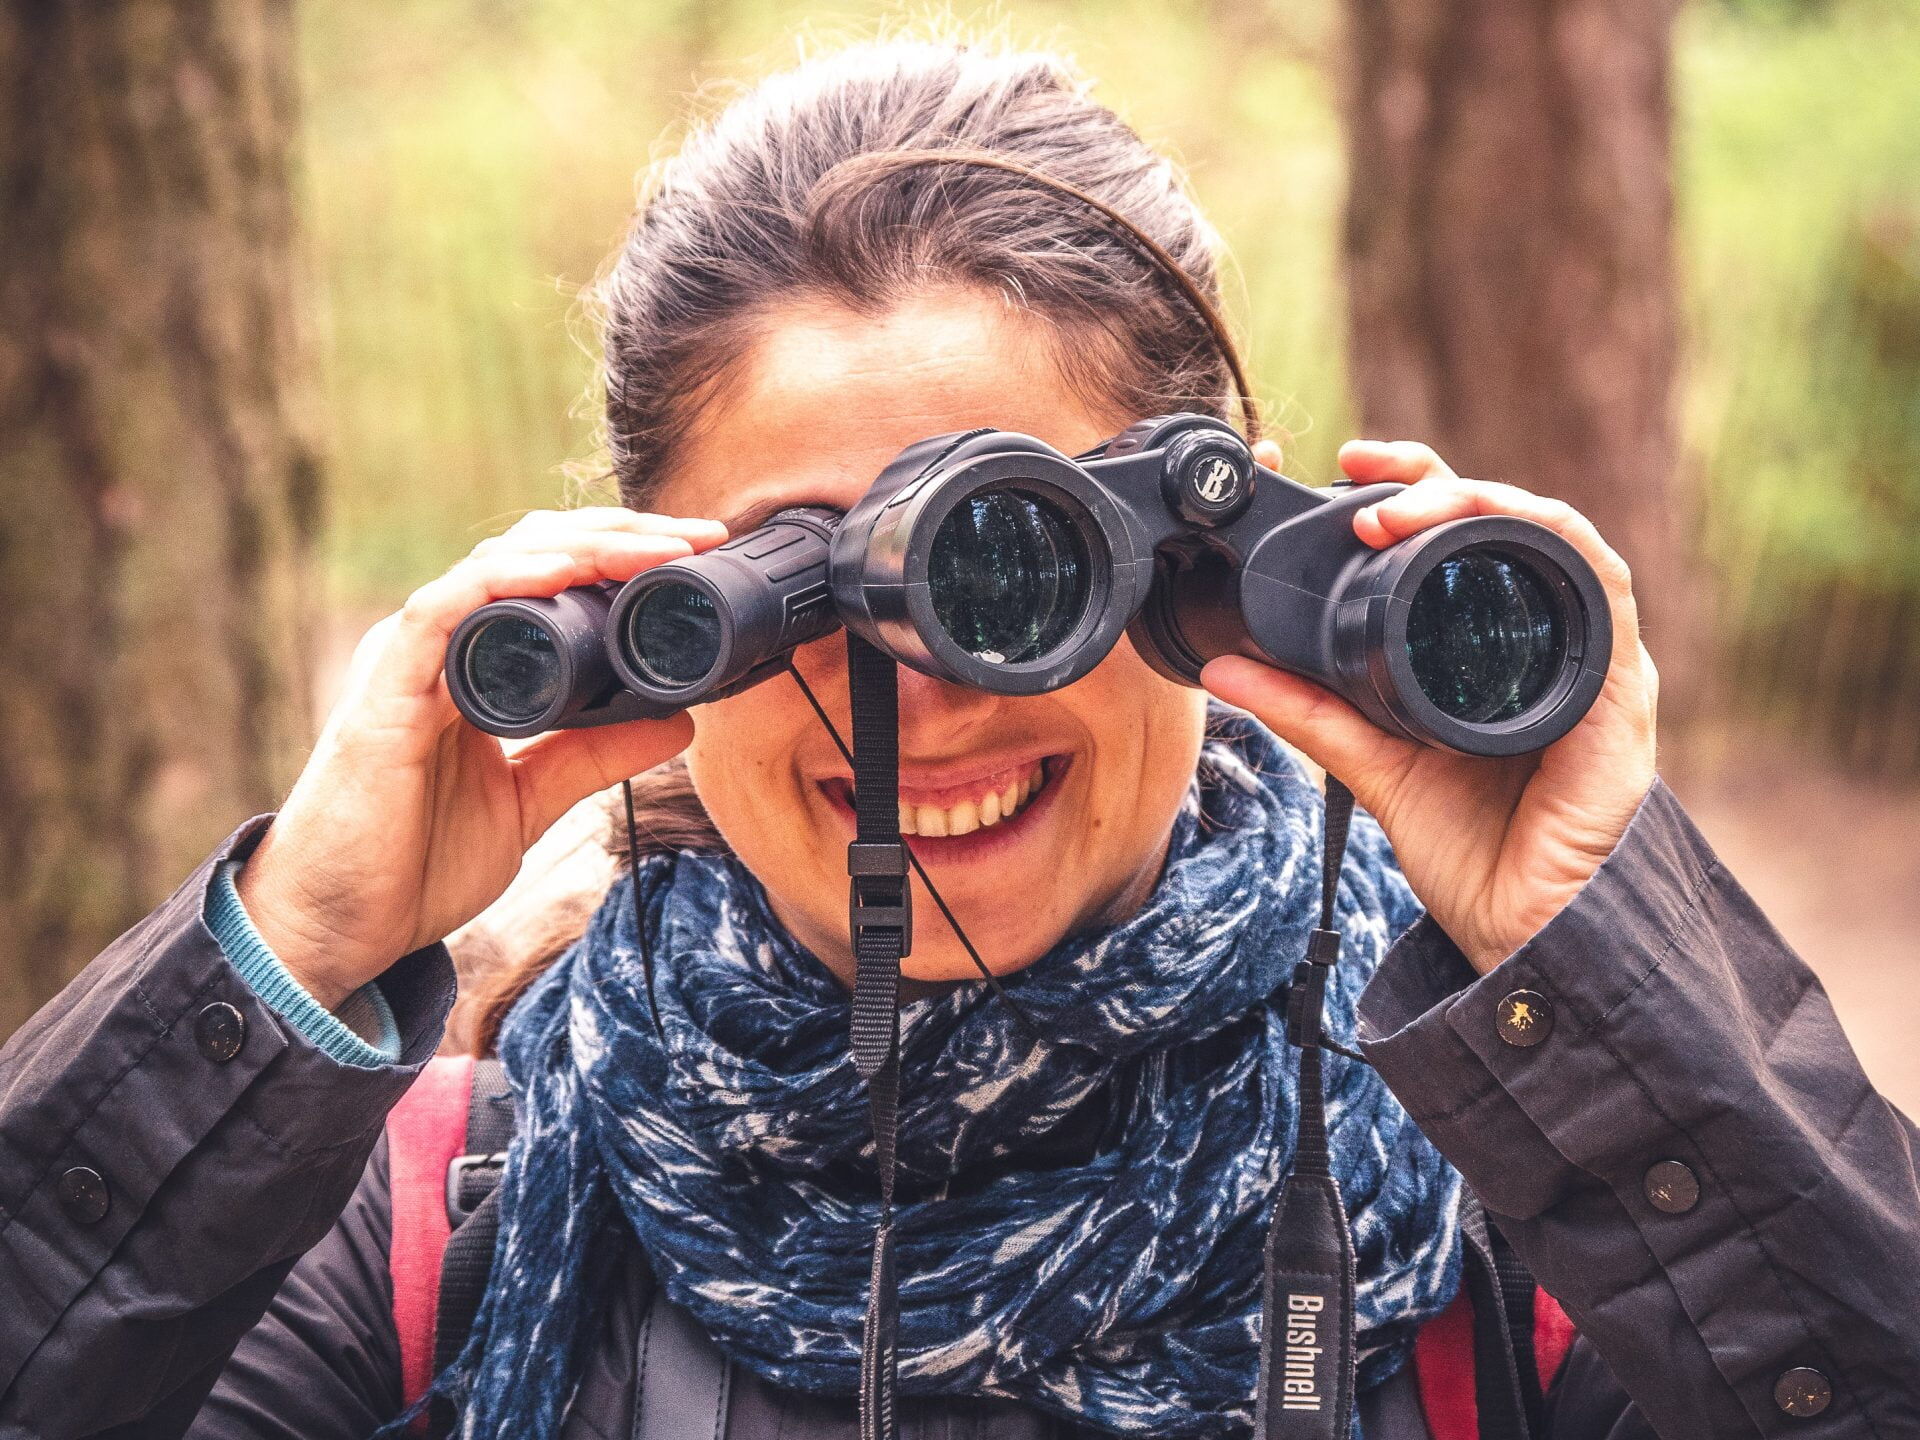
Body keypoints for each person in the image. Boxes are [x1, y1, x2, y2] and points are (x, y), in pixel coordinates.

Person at [1, 38, 1914, 1440]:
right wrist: (291, 956)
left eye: (1023, 567)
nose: (917, 700)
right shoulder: (435, 1213)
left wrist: (1617, 985)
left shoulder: (1528, 1223)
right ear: (648, 610)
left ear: (1194, 567)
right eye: (800, 585)